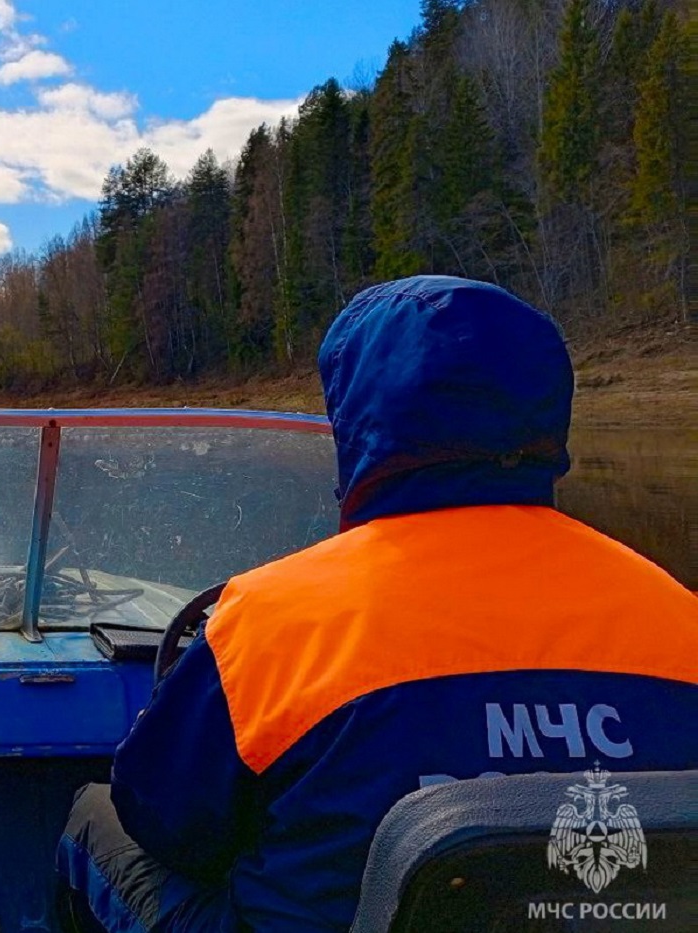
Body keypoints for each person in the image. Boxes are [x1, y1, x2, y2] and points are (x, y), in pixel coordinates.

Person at [56, 276, 698, 933]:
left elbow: (161, 817)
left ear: (359, 420)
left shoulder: (272, 619)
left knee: (94, 814)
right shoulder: (679, 616)